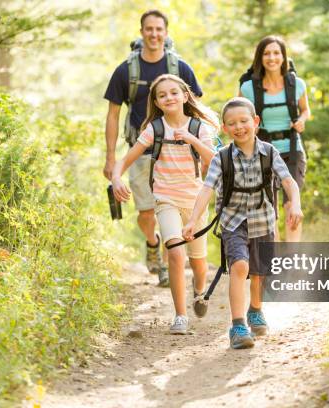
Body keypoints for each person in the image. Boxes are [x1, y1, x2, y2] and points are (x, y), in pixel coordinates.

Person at [182, 97, 303, 349]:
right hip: (233, 222)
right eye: (232, 123)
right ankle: (237, 326)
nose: (239, 127)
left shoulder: (269, 152)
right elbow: (206, 189)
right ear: (225, 128)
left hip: (263, 220)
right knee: (239, 266)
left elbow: (289, 181)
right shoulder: (221, 158)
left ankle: (255, 309)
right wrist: (193, 220)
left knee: (259, 274)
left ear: (256, 121)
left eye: (244, 121)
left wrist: (296, 205)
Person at [104, 9, 203, 286]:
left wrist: (203, 145)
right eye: (149, 29)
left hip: (177, 151)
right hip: (141, 149)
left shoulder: (180, 68)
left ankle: (166, 264)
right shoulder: (126, 70)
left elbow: (195, 108)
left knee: (173, 208)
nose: (154, 34)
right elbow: (112, 115)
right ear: (141, 32)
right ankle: (152, 242)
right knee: (146, 212)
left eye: (159, 29)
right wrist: (111, 159)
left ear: (166, 33)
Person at [112, 74, 216, 335]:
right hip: (165, 198)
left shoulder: (198, 128)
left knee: (199, 262)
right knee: (175, 254)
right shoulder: (154, 129)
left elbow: (215, 161)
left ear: (184, 96)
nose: (168, 97)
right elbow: (126, 159)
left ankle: (199, 291)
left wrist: (191, 140)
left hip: (194, 202)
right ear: (156, 102)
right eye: (162, 95)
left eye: (173, 93)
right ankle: (180, 315)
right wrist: (116, 177)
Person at [239, 35, 310, 242]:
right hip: (262, 152)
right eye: (267, 53)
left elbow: (306, 110)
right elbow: (240, 117)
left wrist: (301, 120)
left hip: (292, 150)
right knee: (269, 209)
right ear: (260, 58)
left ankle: (292, 263)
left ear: (283, 56)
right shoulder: (248, 89)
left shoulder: (296, 84)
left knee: (292, 205)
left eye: (276, 53)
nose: (272, 58)